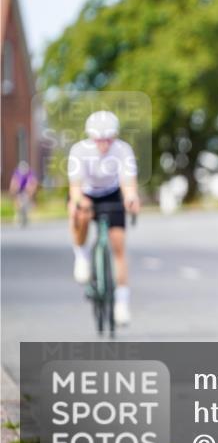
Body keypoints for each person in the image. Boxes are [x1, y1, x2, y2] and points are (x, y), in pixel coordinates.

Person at [67, 111, 141, 325]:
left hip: (111, 193)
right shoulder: (79, 151)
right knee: (79, 212)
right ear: (91, 137)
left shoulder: (123, 150)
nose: (104, 144)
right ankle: (81, 256)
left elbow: (128, 183)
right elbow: (75, 189)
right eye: (99, 140)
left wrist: (131, 198)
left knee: (118, 243)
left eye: (108, 139)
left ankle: (122, 303)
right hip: (87, 193)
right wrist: (80, 201)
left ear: (115, 136)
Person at [9, 161, 38, 227]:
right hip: (19, 190)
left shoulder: (30, 173)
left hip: (26, 190)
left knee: (25, 203)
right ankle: (18, 217)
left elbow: (33, 182)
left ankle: (25, 217)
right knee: (18, 204)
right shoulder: (17, 173)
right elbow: (13, 181)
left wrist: (31, 193)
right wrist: (12, 191)